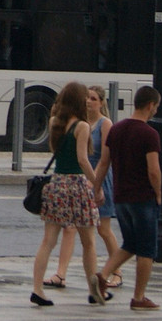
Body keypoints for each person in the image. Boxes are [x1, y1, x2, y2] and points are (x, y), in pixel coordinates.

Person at [30, 82, 106, 307]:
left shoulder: (54, 122)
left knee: (48, 240)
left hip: (56, 184)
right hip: (77, 185)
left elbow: (56, 151)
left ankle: (37, 289)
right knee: (89, 241)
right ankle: (94, 291)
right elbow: (83, 160)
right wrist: (97, 184)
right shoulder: (82, 126)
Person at [42, 85, 122, 290]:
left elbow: (105, 158)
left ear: (102, 102)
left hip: (98, 179)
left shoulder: (105, 124)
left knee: (103, 229)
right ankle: (61, 274)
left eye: (94, 99)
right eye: (87, 98)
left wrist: (95, 182)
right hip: (80, 181)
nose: (89, 102)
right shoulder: (80, 122)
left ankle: (116, 272)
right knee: (69, 228)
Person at [93, 85, 162, 311]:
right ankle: (139, 297)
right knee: (146, 250)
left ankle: (102, 277)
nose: (155, 111)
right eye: (156, 107)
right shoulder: (149, 134)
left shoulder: (117, 129)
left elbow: (104, 162)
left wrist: (97, 188)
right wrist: (159, 193)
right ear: (151, 105)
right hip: (143, 197)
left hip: (121, 197)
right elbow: (153, 170)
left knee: (130, 243)